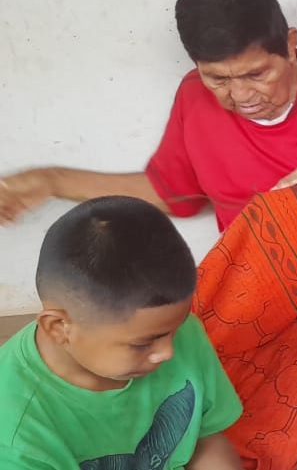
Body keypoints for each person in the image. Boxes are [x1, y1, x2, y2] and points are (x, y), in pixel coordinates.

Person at [0, 0, 297, 470]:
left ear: (290, 44)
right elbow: (172, 193)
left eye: (256, 74)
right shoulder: (193, 99)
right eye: (218, 78)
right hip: (266, 292)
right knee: (193, 411)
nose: (241, 95)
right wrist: (50, 181)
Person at [0, 196, 242, 469]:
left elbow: (204, 438)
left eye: (177, 328)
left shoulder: (173, 331)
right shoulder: (15, 431)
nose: (167, 352)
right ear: (59, 328)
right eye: (142, 344)